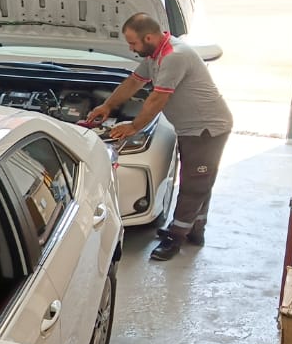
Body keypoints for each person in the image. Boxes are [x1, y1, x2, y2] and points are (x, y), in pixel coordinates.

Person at [91, 13, 235, 262]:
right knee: (199, 179)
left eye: (133, 43)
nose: (131, 48)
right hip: (190, 128)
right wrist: (108, 106)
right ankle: (195, 231)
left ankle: (175, 238)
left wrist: (134, 126)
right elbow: (133, 83)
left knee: (194, 185)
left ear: (149, 37)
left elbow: (157, 98)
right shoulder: (155, 55)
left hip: (206, 129)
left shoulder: (174, 57)